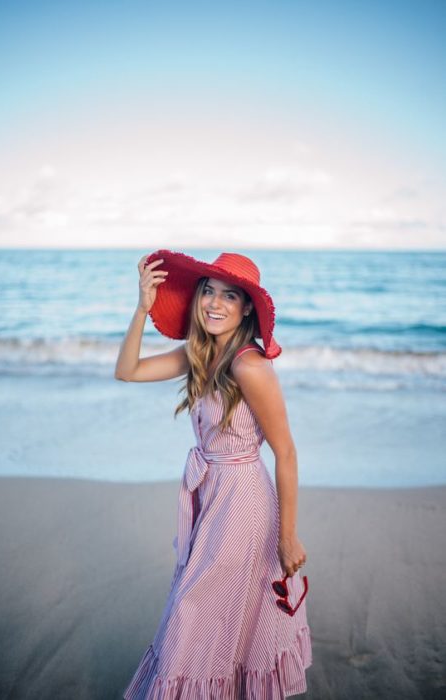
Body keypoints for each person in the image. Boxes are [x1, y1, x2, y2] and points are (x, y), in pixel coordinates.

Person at [115, 249, 313, 698]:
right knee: (211, 619)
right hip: (211, 495)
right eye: (208, 291)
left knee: (193, 613)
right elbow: (126, 371)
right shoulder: (199, 352)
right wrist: (142, 308)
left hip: (243, 503)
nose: (215, 303)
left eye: (230, 295)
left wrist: (288, 536)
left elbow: (286, 452)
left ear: (247, 308)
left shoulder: (250, 366)